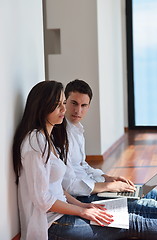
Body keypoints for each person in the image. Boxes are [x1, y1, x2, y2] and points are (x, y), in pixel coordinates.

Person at [13, 80, 133, 240]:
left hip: (64, 212)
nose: (65, 109)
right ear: (42, 107)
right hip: (52, 224)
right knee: (133, 221)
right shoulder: (36, 141)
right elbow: (42, 199)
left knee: (133, 210)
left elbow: (57, 187)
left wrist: (82, 205)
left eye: (63, 103)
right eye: (58, 105)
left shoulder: (45, 138)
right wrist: (83, 210)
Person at [61, 79, 157, 239]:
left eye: (83, 105)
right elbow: (70, 186)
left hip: (94, 186)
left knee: (151, 193)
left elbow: (82, 165)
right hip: (85, 195)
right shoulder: (60, 134)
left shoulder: (77, 130)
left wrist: (108, 177)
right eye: (74, 103)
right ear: (65, 102)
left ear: (88, 107)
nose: (78, 110)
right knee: (146, 205)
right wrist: (108, 186)